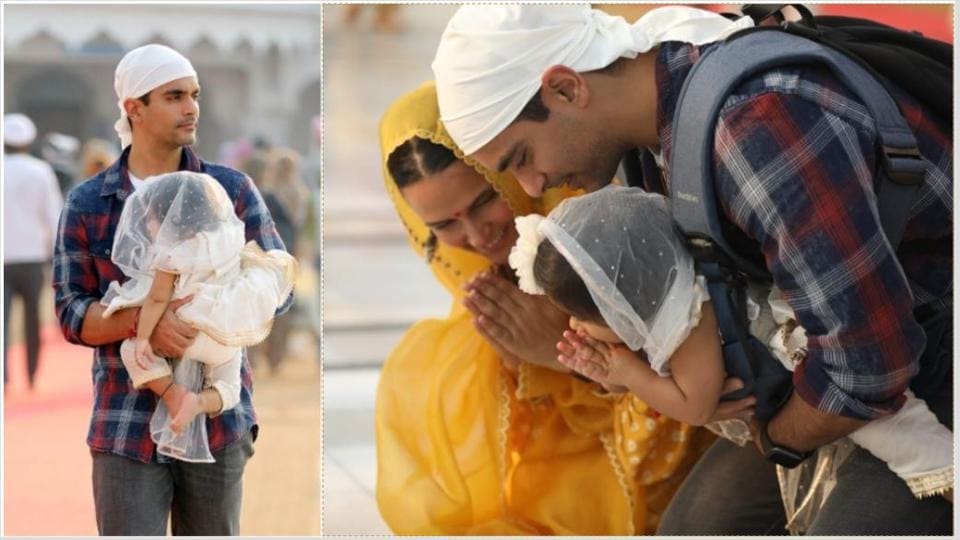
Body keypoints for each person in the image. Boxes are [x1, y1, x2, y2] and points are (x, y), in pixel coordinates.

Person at [431, 5, 952, 534]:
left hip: (919, 340)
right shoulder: (652, 128)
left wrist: (775, 437)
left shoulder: (754, 128)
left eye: (522, 157)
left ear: (566, 89)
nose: (534, 187)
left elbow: (868, 368)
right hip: (853, 341)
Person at [376, 81, 715, 535]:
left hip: (638, 478)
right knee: (424, 374)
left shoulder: (602, 237)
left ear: (507, 169)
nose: (478, 239)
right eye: (443, 226)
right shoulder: (483, 289)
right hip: (549, 485)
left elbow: (678, 429)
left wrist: (563, 357)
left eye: (484, 201)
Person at [508, 185, 953, 513]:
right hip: (796, 387)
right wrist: (612, 374)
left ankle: (947, 472)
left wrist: (630, 374)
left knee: (898, 434)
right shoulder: (672, 285)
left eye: (585, 318)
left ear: (622, 306)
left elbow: (696, 404)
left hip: (819, 366)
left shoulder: (687, 322)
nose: (574, 326)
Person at [52, 43, 291, 535]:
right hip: (124, 417)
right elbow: (72, 312)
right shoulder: (90, 201)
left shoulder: (231, 189)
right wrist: (147, 324)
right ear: (133, 108)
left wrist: (210, 312)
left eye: (195, 94)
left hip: (218, 417)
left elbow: (280, 287)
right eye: (174, 95)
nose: (192, 107)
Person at [100, 171, 296, 462]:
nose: (149, 226)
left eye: (151, 218)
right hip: (223, 335)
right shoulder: (229, 236)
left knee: (130, 350)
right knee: (230, 385)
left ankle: (173, 395)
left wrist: (142, 338)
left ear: (169, 219)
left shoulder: (172, 254)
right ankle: (200, 401)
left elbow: (156, 298)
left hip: (189, 329)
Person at [3, 113, 63, 391]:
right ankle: (31, 374)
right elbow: (53, 217)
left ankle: (4, 376)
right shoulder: (40, 171)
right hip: (31, 257)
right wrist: (58, 258)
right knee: (31, 320)